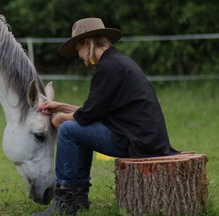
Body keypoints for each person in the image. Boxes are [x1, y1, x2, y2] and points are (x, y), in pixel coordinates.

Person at [32, 18, 178, 216]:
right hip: (142, 137)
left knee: (68, 130)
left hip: (135, 141)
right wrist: (61, 106)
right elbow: (95, 111)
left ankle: (65, 200)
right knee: (75, 127)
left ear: (88, 43)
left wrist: (61, 118)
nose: (79, 56)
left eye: (78, 50)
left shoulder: (109, 68)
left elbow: (88, 115)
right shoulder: (117, 63)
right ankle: (79, 199)